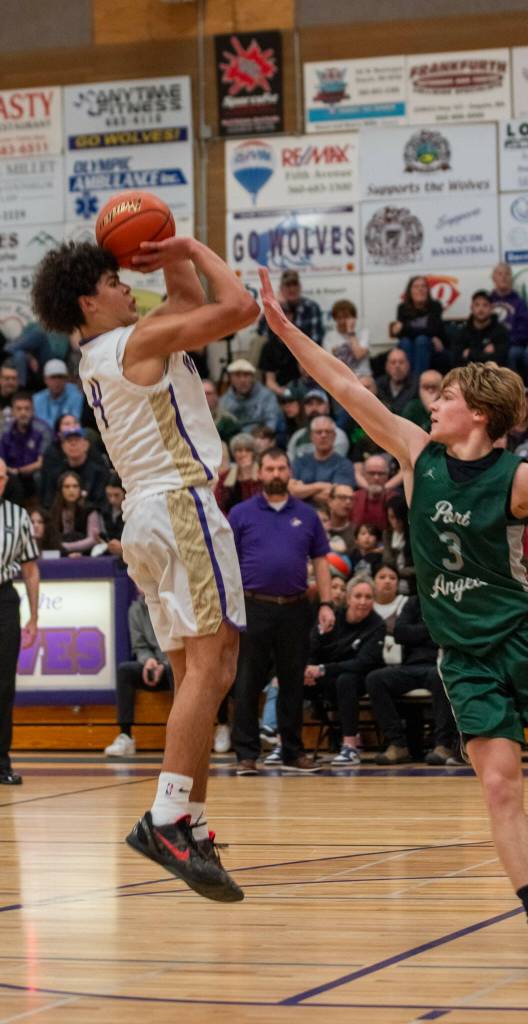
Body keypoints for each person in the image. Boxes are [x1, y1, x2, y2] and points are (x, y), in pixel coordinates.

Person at [259, 263, 528, 980]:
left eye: (445, 395)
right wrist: (288, 330)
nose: (433, 402)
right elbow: (346, 386)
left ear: (476, 413)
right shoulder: (415, 455)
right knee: (497, 785)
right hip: (466, 653)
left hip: (523, 640)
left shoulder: (521, 478)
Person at [32, 234, 259, 901]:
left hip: (147, 517)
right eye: (114, 281)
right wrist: (188, 242)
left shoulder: (107, 349)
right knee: (216, 663)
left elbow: (187, 298)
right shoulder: (133, 345)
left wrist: (169, 259)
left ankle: (188, 819)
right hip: (181, 504)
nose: (128, 286)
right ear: (87, 301)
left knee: (199, 672)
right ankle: (166, 818)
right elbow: (238, 308)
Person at [228, 447, 334, 774]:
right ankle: (246, 755)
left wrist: (327, 603)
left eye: (281, 468)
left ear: (290, 472)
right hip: (252, 607)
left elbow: (320, 561)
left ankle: (292, 752)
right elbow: (226, 562)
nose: (276, 474)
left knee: (292, 682)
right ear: (260, 473)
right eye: (270, 468)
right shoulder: (241, 513)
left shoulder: (308, 515)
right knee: (246, 682)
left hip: (295, 607)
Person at [368, 592, 461, 766]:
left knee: (440, 676)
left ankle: (444, 744)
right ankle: (397, 744)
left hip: (440, 664)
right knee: (376, 679)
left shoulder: (452, 598)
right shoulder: (414, 601)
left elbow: (454, 631)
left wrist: (418, 633)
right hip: (411, 665)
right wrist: (433, 628)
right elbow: (400, 632)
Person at [304, 574, 385, 766]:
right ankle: (286, 745)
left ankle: (350, 746)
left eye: (368, 597)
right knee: (291, 679)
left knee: (346, 680)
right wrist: (308, 670)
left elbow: (363, 662)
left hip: (361, 678)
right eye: (358, 596)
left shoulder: (377, 625)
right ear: (348, 598)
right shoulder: (333, 618)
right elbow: (313, 646)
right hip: (329, 675)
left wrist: (322, 669)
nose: (363, 601)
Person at [0, 457, 39, 785]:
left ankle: (1, 762)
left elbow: (30, 569)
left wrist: (35, 616)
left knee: (4, 685)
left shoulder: (18, 516)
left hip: (4, 597)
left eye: (1, 477)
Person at [104, 592, 174, 758]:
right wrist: (148, 661)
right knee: (125, 671)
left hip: (175, 665)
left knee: (177, 673)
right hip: (152, 666)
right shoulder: (136, 609)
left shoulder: (173, 604)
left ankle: (182, 734)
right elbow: (140, 646)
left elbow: (184, 645)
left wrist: (165, 664)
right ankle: (126, 736)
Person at [258, 269, 324, 395]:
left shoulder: (311, 307)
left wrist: (306, 358)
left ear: (300, 287)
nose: (291, 289)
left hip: (304, 355)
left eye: (294, 285)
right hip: (278, 354)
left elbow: (316, 340)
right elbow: (261, 332)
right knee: (259, 344)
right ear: (281, 288)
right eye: (288, 285)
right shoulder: (277, 306)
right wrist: (272, 306)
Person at [0, 392, 52, 505]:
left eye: (27, 409)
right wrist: (9, 471)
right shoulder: (4, 429)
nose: (23, 413)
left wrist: (18, 471)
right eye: (19, 409)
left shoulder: (43, 429)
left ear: (33, 410)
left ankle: (40, 510)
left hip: (33, 474)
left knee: (40, 475)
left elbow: (41, 463)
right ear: (12, 411)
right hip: (9, 473)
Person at [389, 275, 446, 378]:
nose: (420, 289)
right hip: (410, 345)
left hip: (428, 346)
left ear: (427, 290)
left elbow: (433, 330)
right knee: (405, 342)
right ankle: (408, 381)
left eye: (423, 286)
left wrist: (405, 328)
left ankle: (418, 382)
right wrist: (426, 333)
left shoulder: (435, 306)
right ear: (410, 291)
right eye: (416, 287)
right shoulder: (402, 308)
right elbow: (400, 335)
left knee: (421, 340)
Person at [40, 425, 108, 509]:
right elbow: (49, 501)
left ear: (86, 445)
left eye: (77, 440)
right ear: (63, 447)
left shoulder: (98, 473)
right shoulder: (55, 474)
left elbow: (101, 503)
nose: (73, 444)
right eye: (69, 441)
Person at [290, 416, 355, 501]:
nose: (323, 435)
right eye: (318, 432)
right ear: (311, 436)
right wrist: (321, 486)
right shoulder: (300, 462)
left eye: (328, 432)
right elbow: (292, 491)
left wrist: (303, 491)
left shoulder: (344, 465)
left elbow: (339, 497)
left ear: (334, 436)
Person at [490, 262, 528, 378]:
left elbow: (525, 331)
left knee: (511, 353)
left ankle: (513, 389)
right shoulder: (486, 301)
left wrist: (504, 344)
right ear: (493, 278)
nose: (503, 277)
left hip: (513, 345)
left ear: (511, 278)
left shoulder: (519, 303)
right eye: (500, 274)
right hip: (491, 343)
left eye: (507, 274)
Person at [45, 471, 102, 557]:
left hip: (86, 555)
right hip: (60, 555)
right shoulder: (54, 510)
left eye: (75, 486)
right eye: (67, 487)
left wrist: (65, 547)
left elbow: (93, 539)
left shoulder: (90, 510)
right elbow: (51, 537)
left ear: (80, 489)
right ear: (61, 490)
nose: (71, 490)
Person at [217, 358, 280, 433]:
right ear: (231, 378)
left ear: (253, 377)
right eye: (237, 375)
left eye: (246, 375)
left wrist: (263, 435)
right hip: (235, 440)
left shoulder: (267, 396)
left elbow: (272, 422)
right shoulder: (224, 401)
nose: (242, 380)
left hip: (261, 437)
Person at [287, 387, 350, 461]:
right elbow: (291, 465)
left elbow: (333, 465)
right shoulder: (297, 436)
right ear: (304, 408)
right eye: (310, 404)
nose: (314, 408)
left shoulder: (338, 435)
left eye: (319, 403)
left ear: (328, 407)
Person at [450, 290, 509, 368]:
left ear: (491, 308)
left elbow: (500, 360)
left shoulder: (500, 331)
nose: (481, 309)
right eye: (477, 305)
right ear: (471, 308)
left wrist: (470, 353)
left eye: (485, 305)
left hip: (493, 375)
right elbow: (456, 360)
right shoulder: (462, 332)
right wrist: (485, 354)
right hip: (467, 375)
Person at [214, 433, 261, 516]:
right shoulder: (224, 477)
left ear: (254, 453)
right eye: (239, 450)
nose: (243, 454)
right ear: (234, 454)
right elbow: (218, 506)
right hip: (232, 524)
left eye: (248, 450)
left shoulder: (262, 474)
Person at [322, 299, 371, 376]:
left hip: (362, 377)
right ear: (335, 319)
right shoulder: (329, 337)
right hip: (340, 378)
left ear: (354, 318)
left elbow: (359, 354)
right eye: (339, 317)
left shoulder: (363, 333)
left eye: (346, 317)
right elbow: (329, 364)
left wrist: (351, 332)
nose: (342, 321)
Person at [32, 358, 84, 428]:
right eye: (53, 377)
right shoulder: (37, 399)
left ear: (66, 379)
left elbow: (75, 420)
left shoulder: (76, 394)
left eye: (60, 377)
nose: (57, 381)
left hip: (69, 434)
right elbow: (37, 424)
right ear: (45, 379)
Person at [351, 453, 393, 531]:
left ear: (387, 475)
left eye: (381, 474)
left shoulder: (394, 499)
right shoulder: (353, 498)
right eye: (371, 473)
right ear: (364, 475)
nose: (376, 477)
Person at [376, 348, 418, 415]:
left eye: (401, 362)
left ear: (408, 365)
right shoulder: (379, 384)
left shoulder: (417, 385)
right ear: (387, 366)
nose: (397, 366)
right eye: (393, 362)